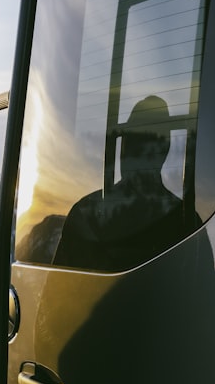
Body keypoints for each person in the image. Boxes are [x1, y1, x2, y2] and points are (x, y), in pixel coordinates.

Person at [53, 95, 197, 271]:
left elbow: (58, 291)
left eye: (144, 144)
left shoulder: (87, 214)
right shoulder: (186, 221)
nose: (134, 154)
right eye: (134, 143)